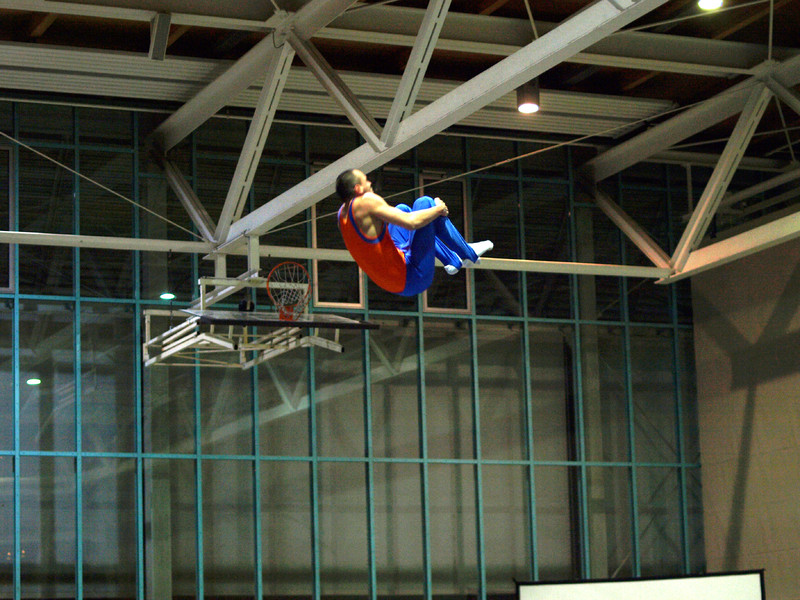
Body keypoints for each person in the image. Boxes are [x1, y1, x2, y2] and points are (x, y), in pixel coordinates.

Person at [336, 168, 493, 296]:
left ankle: (452, 260)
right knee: (426, 203)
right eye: (365, 180)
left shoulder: (342, 214)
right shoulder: (365, 202)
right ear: (358, 189)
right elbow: (412, 223)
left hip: (393, 277)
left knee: (402, 209)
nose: (370, 183)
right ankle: (467, 253)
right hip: (410, 277)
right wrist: (438, 209)